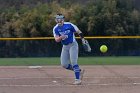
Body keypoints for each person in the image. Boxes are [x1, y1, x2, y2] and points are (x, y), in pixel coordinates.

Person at [53, 13, 86, 85]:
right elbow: (57, 40)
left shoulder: (69, 25)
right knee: (64, 64)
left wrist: (83, 39)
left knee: (74, 62)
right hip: (65, 46)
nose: (58, 20)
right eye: (57, 19)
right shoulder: (55, 28)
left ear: (63, 19)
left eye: (60, 19)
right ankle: (78, 71)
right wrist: (61, 37)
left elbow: (79, 31)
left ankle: (78, 80)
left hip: (73, 45)